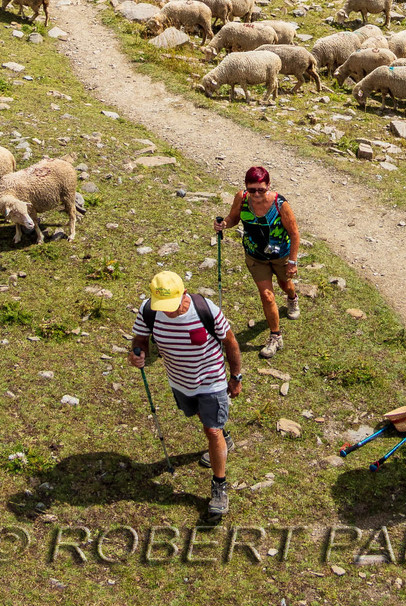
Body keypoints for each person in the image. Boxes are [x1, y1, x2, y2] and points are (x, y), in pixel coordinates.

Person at [129, 266, 242, 521]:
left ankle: (219, 487)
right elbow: (140, 340)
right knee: (205, 420)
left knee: (210, 430)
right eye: (163, 304)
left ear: (185, 294)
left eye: (172, 303)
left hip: (212, 381)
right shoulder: (149, 310)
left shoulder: (205, 309)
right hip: (180, 383)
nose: (167, 310)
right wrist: (137, 354)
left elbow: (231, 343)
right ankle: (225, 437)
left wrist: (235, 377)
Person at [216, 166, 301, 354]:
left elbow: (294, 233)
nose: (255, 194)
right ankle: (275, 336)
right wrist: (223, 225)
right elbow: (233, 218)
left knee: (285, 284)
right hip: (255, 256)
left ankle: (292, 298)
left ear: (268, 186)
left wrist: (293, 262)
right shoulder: (241, 198)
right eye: (251, 189)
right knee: (266, 295)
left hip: (281, 256)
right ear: (246, 187)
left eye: (260, 189)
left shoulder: (280, 204)